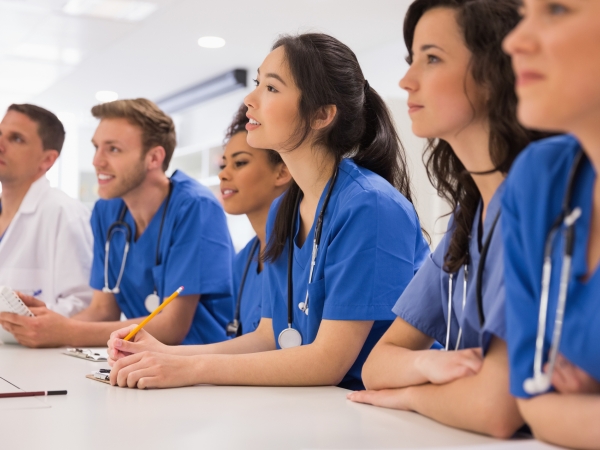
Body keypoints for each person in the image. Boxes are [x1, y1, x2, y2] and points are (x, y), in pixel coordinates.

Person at [105, 33, 430, 390]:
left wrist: (191, 369)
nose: (250, 98)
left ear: (321, 115)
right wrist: (167, 354)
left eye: (271, 88)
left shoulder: (370, 205)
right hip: (314, 405)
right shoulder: (283, 210)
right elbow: (267, 336)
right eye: (258, 83)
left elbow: (328, 362)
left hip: (379, 413)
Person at [348, 0, 541, 438]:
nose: (406, 80)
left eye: (432, 58)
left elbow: (495, 408)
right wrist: (429, 363)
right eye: (411, 59)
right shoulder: (467, 218)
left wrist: (412, 395)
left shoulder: (535, 204)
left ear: (495, 75)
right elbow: (379, 364)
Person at [0, 98, 234, 348]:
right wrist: (44, 326)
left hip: (200, 368)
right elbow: (102, 310)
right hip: (140, 362)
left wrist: (65, 331)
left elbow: (172, 326)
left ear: (154, 157)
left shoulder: (194, 207)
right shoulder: (107, 211)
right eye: (96, 147)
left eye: (112, 149)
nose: (96, 161)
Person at [500, 1, 600, 448]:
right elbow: (535, 401)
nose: (514, 41)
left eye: (557, 10)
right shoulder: (541, 178)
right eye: (524, 12)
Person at [0, 104, 92, 320]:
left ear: (47, 160)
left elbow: (84, 305)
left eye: (16, 139)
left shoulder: (64, 213)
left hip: (38, 352)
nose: (1, 145)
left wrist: (27, 316)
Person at [220, 104, 291, 336]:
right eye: (223, 164)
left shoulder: (301, 251)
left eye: (239, 163)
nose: (223, 174)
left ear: (282, 172)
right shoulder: (243, 261)